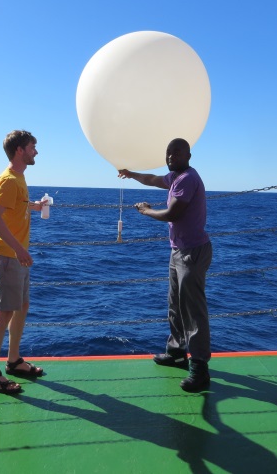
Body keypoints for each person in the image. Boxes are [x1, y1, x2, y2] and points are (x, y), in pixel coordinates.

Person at [118, 138, 213, 392]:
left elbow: (172, 213)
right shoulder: (174, 177)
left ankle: (200, 369)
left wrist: (146, 211)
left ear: (188, 155)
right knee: (175, 304)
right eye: (168, 153)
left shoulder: (187, 179)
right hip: (178, 251)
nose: (170, 157)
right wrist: (130, 174)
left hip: (192, 252)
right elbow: (152, 179)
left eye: (176, 153)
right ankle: (177, 352)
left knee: (193, 310)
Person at [0, 130, 45, 394]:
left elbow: (15, 206)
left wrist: (34, 206)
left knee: (22, 305)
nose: (36, 151)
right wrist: (19, 250)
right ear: (20, 150)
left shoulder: (19, 178)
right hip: (9, 256)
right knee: (5, 312)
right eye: (33, 147)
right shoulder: (9, 180)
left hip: (17, 256)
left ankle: (14, 360)